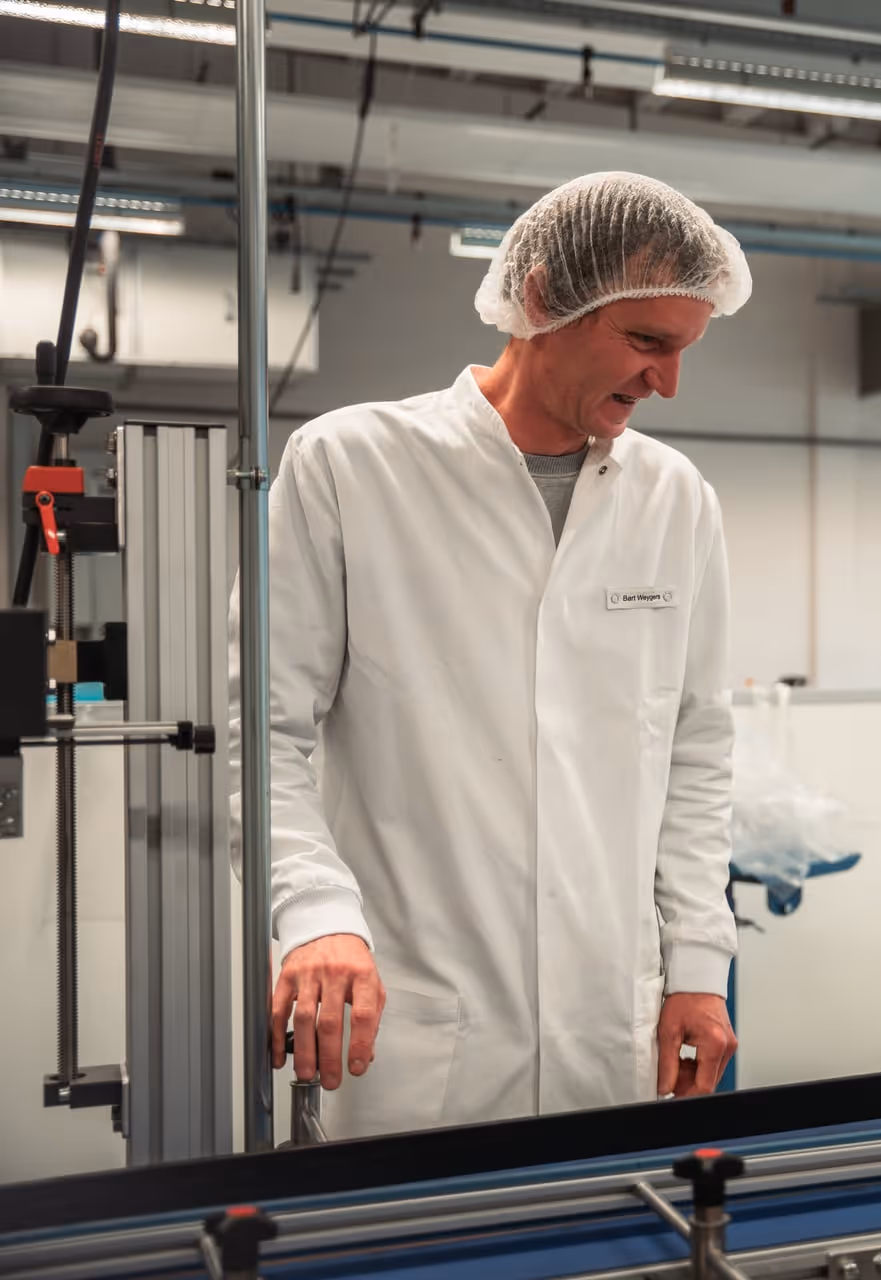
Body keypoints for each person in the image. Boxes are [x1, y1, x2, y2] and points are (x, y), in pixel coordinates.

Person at [235, 172, 753, 1139]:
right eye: (646, 341)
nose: (668, 382)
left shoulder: (676, 498)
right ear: (547, 298)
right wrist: (315, 914)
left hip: (611, 1021)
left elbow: (696, 750)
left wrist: (696, 965)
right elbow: (258, 734)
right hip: (415, 1022)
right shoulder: (352, 465)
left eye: (685, 349)